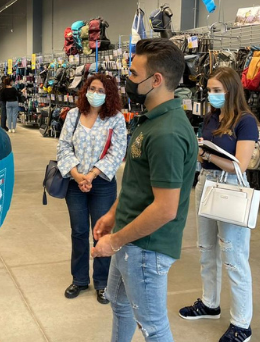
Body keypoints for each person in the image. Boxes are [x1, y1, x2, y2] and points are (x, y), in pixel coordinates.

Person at [91, 38, 197, 342]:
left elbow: (165, 208)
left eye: (134, 75)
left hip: (146, 248)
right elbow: (138, 183)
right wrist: (113, 214)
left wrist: (115, 241)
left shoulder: (168, 133)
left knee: (153, 326)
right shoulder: (150, 121)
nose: (128, 81)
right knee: (121, 305)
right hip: (129, 237)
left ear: (157, 80)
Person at [178, 66, 258, 342]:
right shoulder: (212, 117)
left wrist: (208, 155)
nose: (211, 95)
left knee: (234, 257)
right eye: (209, 90)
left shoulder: (245, 121)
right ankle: (210, 303)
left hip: (231, 188)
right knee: (206, 250)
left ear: (231, 90)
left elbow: (241, 165)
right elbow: (203, 157)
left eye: (217, 91)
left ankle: (241, 324)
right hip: (206, 185)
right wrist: (200, 153)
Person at [57, 74, 127, 305]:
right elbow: (64, 146)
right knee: (78, 231)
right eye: (92, 88)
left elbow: (117, 151)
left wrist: (92, 174)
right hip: (75, 184)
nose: (95, 94)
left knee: (101, 233)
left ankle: (102, 282)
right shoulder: (74, 115)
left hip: (103, 184)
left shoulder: (115, 119)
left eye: (101, 91)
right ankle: (79, 279)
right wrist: (77, 175)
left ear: (109, 95)